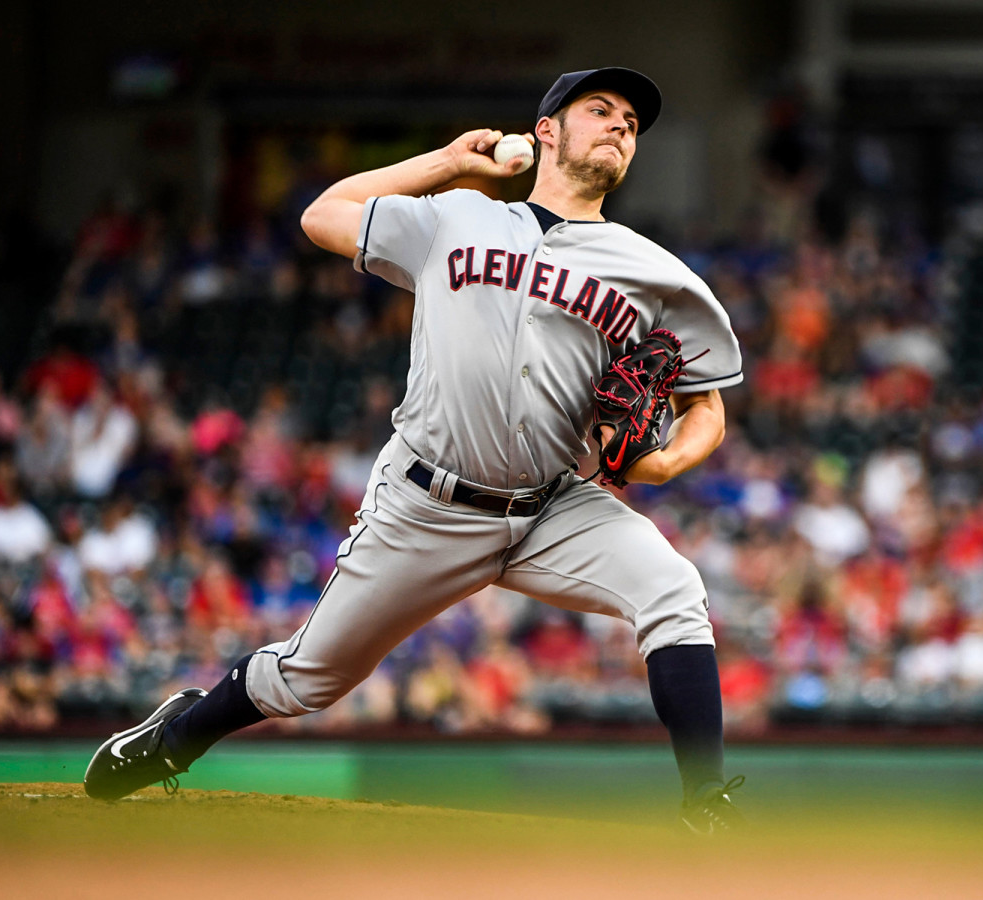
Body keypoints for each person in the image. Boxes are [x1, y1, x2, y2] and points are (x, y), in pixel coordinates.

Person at [84, 67, 746, 832]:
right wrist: (449, 164)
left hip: (555, 505)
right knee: (308, 679)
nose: (620, 125)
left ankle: (706, 806)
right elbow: (323, 216)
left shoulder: (654, 272)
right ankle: (177, 736)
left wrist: (663, 462)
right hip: (429, 501)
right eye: (599, 110)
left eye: (632, 120)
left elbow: (707, 407)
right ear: (547, 133)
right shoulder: (456, 217)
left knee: (672, 588)